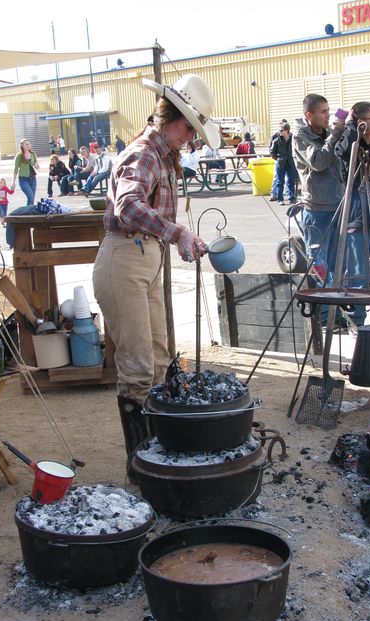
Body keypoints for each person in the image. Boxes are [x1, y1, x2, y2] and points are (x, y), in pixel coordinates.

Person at [92, 74, 220, 480]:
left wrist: (174, 238)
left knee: (161, 359)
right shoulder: (145, 154)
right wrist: (177, 232)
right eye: (187, 128)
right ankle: (141, 466)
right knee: (138, 367)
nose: (189, 138)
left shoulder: (162, 156)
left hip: (145, 257)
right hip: (125, 259)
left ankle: (156, 455)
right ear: (169, 117)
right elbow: (128, 206)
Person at [335, 101, 370, 330]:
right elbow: (344, 152)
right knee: (358, 270)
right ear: (363, 123)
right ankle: (357, 319)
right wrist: (351, 128)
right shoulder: (349, 144)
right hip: (357, 214)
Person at [293, 93, 345, 324]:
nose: (328, 115)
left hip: (336, 206)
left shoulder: (327, 134)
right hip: (315, 210)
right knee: (319, 265)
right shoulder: (300, 138)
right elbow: (319, 161)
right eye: (323, 112)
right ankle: (324, 316)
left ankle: (338, 313)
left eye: (329, 110)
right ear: (309, 115)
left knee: (337, 264)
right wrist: (334, 136)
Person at [270, 122, 297, 206]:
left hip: (290, 162)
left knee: (291, 181)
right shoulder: (276, 140)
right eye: (279, 130)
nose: (279, 132)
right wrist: (278, 158)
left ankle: (292, 198)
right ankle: (280, 199)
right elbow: (272, 152)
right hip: (280, 163)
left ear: (287, 130)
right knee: (280, 182)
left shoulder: (293, 139)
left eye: (281, 130)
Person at [11, 138, 40, 205]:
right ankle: (28, 212)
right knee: (30, 197)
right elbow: (15, 169)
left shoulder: (33, 154)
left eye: (29, 144)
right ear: (22, 146)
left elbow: (36, 165)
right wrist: (13, 182)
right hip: (23, 179)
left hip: (33, 178)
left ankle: (29, 213)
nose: (28, 145)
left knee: (32, 198)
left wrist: (37, 166)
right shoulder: (19, 155)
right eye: (26, 144)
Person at [269, 119, 288, 201]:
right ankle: (274, 194)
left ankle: (288, 193)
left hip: (288, 160)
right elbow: (271, 149)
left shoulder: (290, 136)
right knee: (277, 177)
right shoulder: (275, 136)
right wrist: (277, 158)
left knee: (288, 178)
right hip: (279, 160)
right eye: (281, 125)